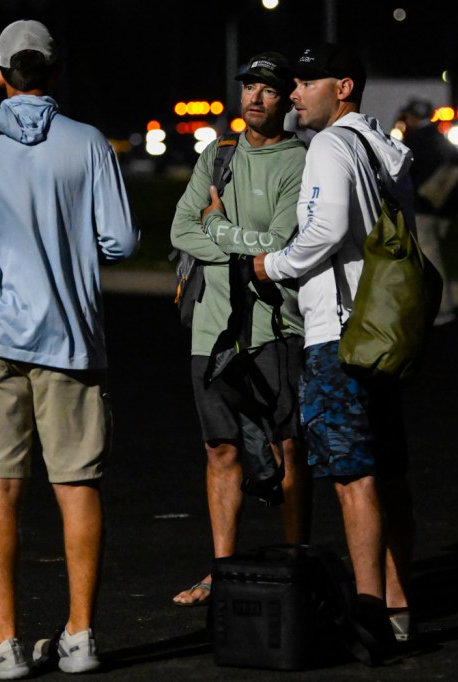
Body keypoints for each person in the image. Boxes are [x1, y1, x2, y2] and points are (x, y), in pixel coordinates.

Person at [0, 19, 139, 679]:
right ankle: (80, 637)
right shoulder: (87, 142)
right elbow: (122, 241)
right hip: (69, 335)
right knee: (77, 484)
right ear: (54, 71)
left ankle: (6, 644)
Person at [252, 43, 418, 658]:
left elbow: (326, 228)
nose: (293, 93)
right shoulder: (382, 146)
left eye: (306, 82)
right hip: (382, 333)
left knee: (353, 477)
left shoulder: (328, 145)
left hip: (339, 336)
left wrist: (273, 265)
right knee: (390, 475)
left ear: (342, 87)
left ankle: (368, 617)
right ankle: (398, 608)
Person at [170, 52, 311, 607]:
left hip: (276, 325)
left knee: (287, 447)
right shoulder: (219, 154)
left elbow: (281, 246)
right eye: (249, 86)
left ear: (286, 100)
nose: (255, 97)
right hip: (210, 329)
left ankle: (296, 564)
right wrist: (237, 250)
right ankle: (223, 572)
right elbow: (182, 228)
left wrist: (218, 228)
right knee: (220, 450)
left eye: (268, 89)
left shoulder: (299, 160)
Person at [400, 98, 458, 325]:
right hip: (440, 209)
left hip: (421, 209)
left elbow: (407, 175)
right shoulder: (440, 138)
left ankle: (441, 308)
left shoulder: (415, 140)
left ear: (413, 117)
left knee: (428, 260)